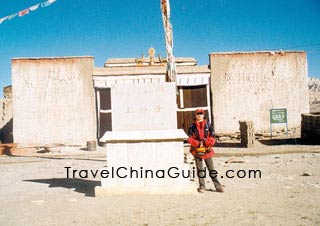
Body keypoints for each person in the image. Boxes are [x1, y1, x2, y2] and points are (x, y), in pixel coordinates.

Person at [187, 108, 224, 193]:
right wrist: (197, 144)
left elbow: (213, 137)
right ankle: (202, 186)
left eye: (201, 113)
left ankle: (218, 186)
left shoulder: (208, 125)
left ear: (203, 115)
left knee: (211, 168)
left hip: (207, 149)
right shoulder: (192, 126)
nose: (199, 115)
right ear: (195, 115)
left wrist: (206, 143)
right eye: (198, 114)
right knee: (200, 169)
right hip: (196, 150)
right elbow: (189, 138)